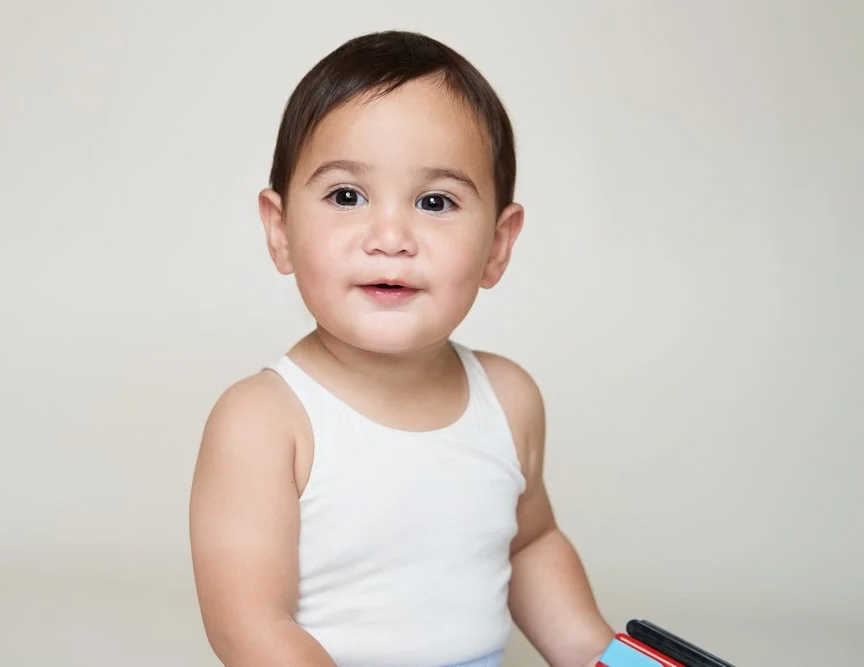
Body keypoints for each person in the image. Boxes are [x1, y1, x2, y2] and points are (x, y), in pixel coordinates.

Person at [189, 30, 614, 667]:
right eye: (346, 196)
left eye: (435, 201)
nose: (390, 237)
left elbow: (528, 545)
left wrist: (597, 653)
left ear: (498, 245)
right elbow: (250, 627)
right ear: (280, 232)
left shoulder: (508, 399)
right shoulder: (263, 421)